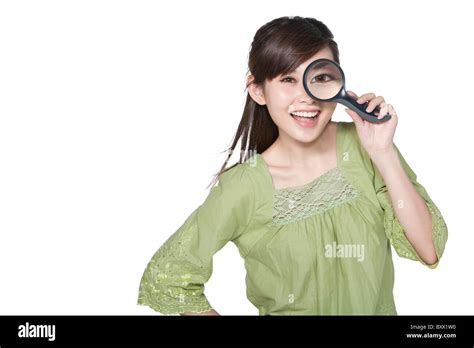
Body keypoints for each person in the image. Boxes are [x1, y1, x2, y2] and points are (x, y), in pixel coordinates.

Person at [137, 16, 448, 315]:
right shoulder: (244, 187)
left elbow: (428, 248)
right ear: (258, 89)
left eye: (320, 78)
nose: (307, 97)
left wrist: (383, 152)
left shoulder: (365, 148)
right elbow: (167, 279)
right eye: (287, 79)